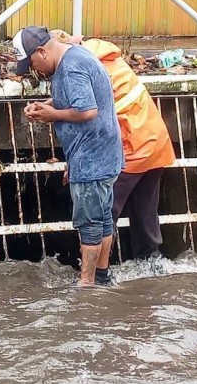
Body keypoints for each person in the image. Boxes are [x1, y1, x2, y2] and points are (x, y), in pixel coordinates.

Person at [51, 31, 175, 270]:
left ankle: (97, 274)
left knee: (102, 213)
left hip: (129, 148)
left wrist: (76, 163)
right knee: (145, 212)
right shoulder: (107, 56)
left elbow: (92, 121)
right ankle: (150, 268)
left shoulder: (83, 67)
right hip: (155, 141)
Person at [14, 26, 123, 287]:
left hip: (91, 158)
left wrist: (53, 115)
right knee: (103, 219)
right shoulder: (74, 56)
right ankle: (102, 276)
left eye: (32, 63)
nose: (35, 70)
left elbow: (87, 111)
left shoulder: (71, 68)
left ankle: (86, 284)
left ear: (41, 51)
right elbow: (77, 98)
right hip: (104, 154)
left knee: (89, 224)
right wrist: (47, 105)